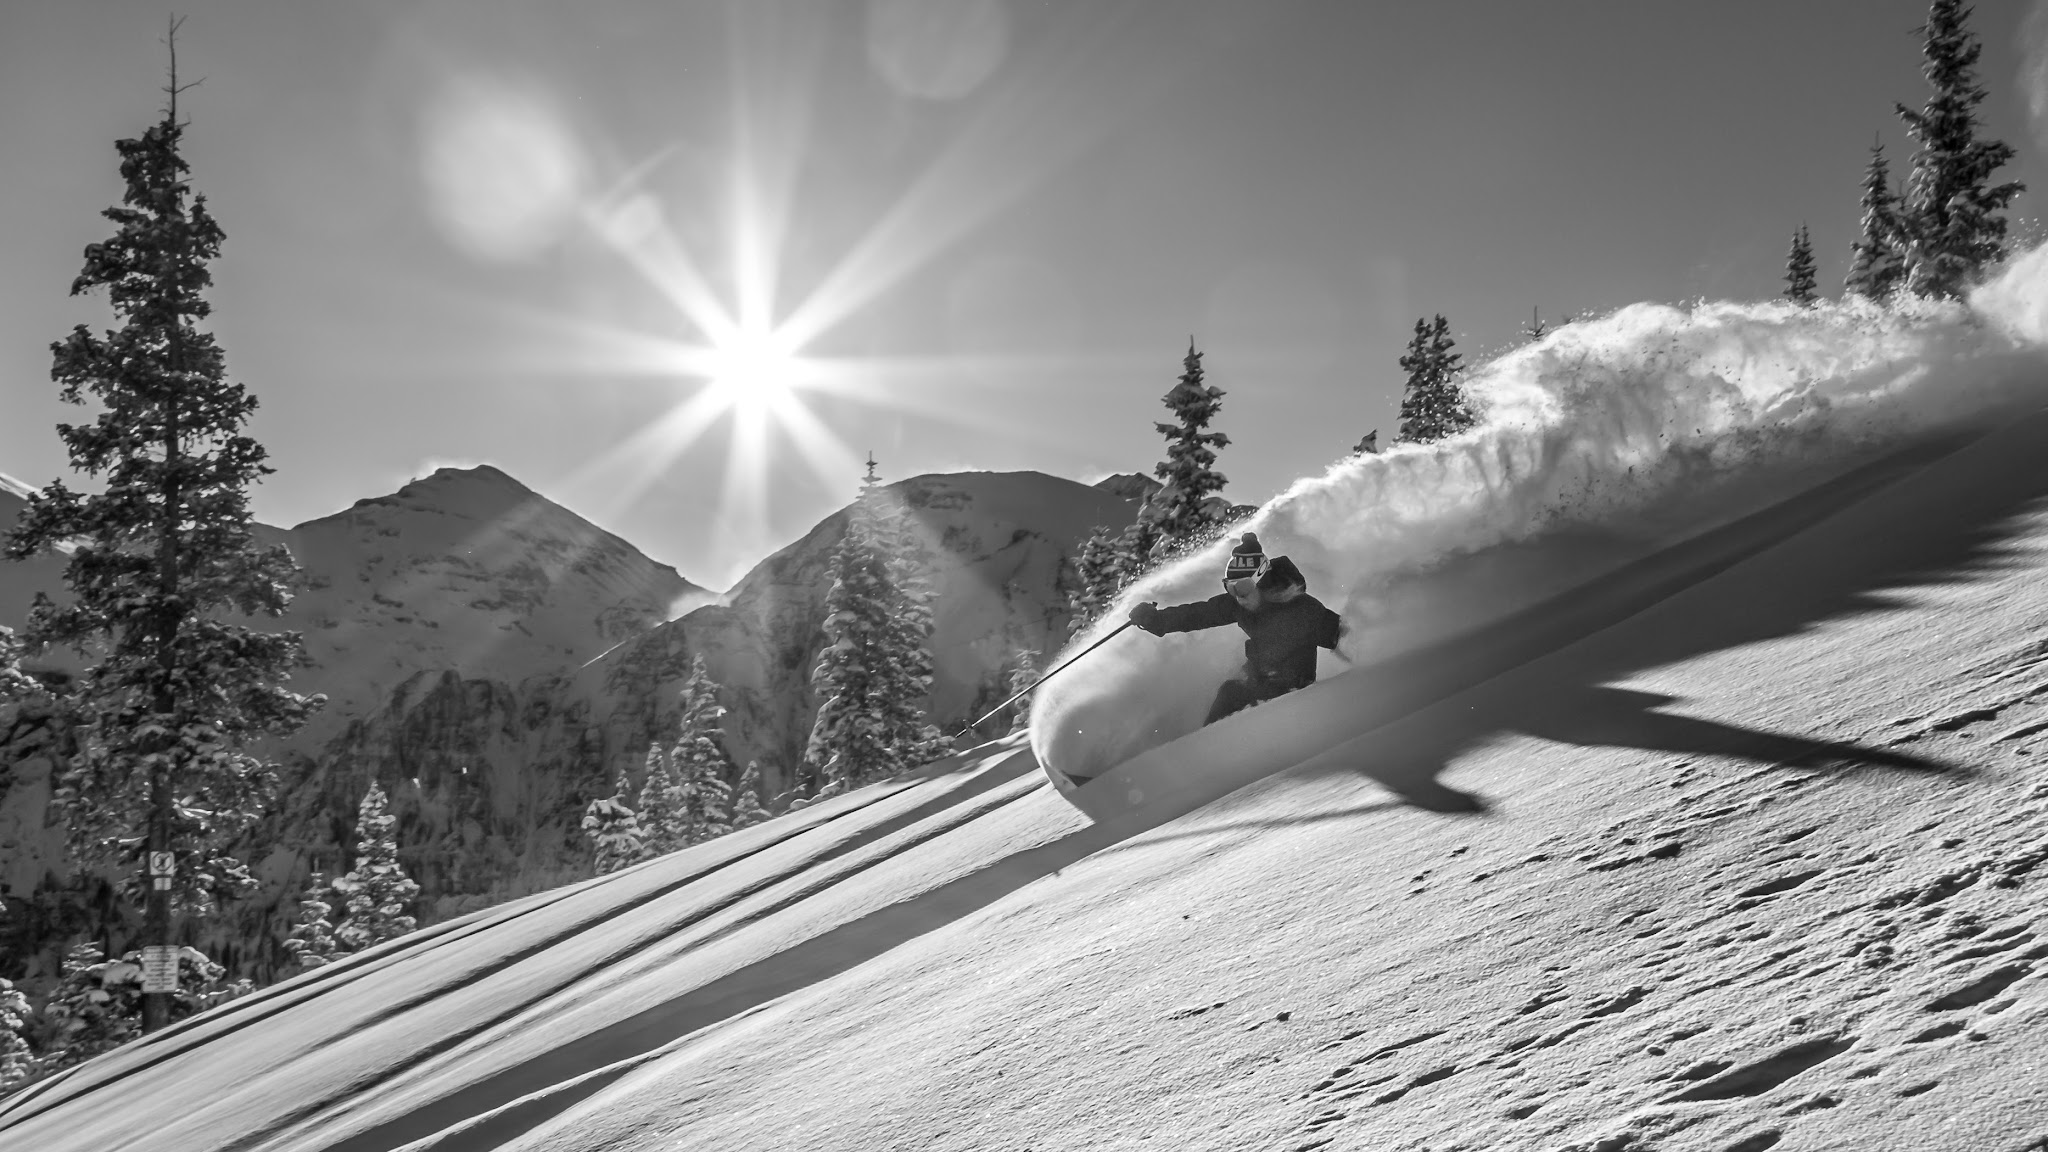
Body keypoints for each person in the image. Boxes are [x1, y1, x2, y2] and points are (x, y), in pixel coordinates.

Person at [1128, 532, 1345, 725]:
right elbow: (1198, 614)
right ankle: (1204, 749)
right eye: (1230, 587)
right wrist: (1155, 619)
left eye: (1243, 586)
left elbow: (1351, 637)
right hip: (1256, 676)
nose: (1238, 596)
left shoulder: (1303, 610)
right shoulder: (1239, 604)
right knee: (1229, 692)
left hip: (1291, 692)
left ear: (1262, 581)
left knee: (1236, 697)